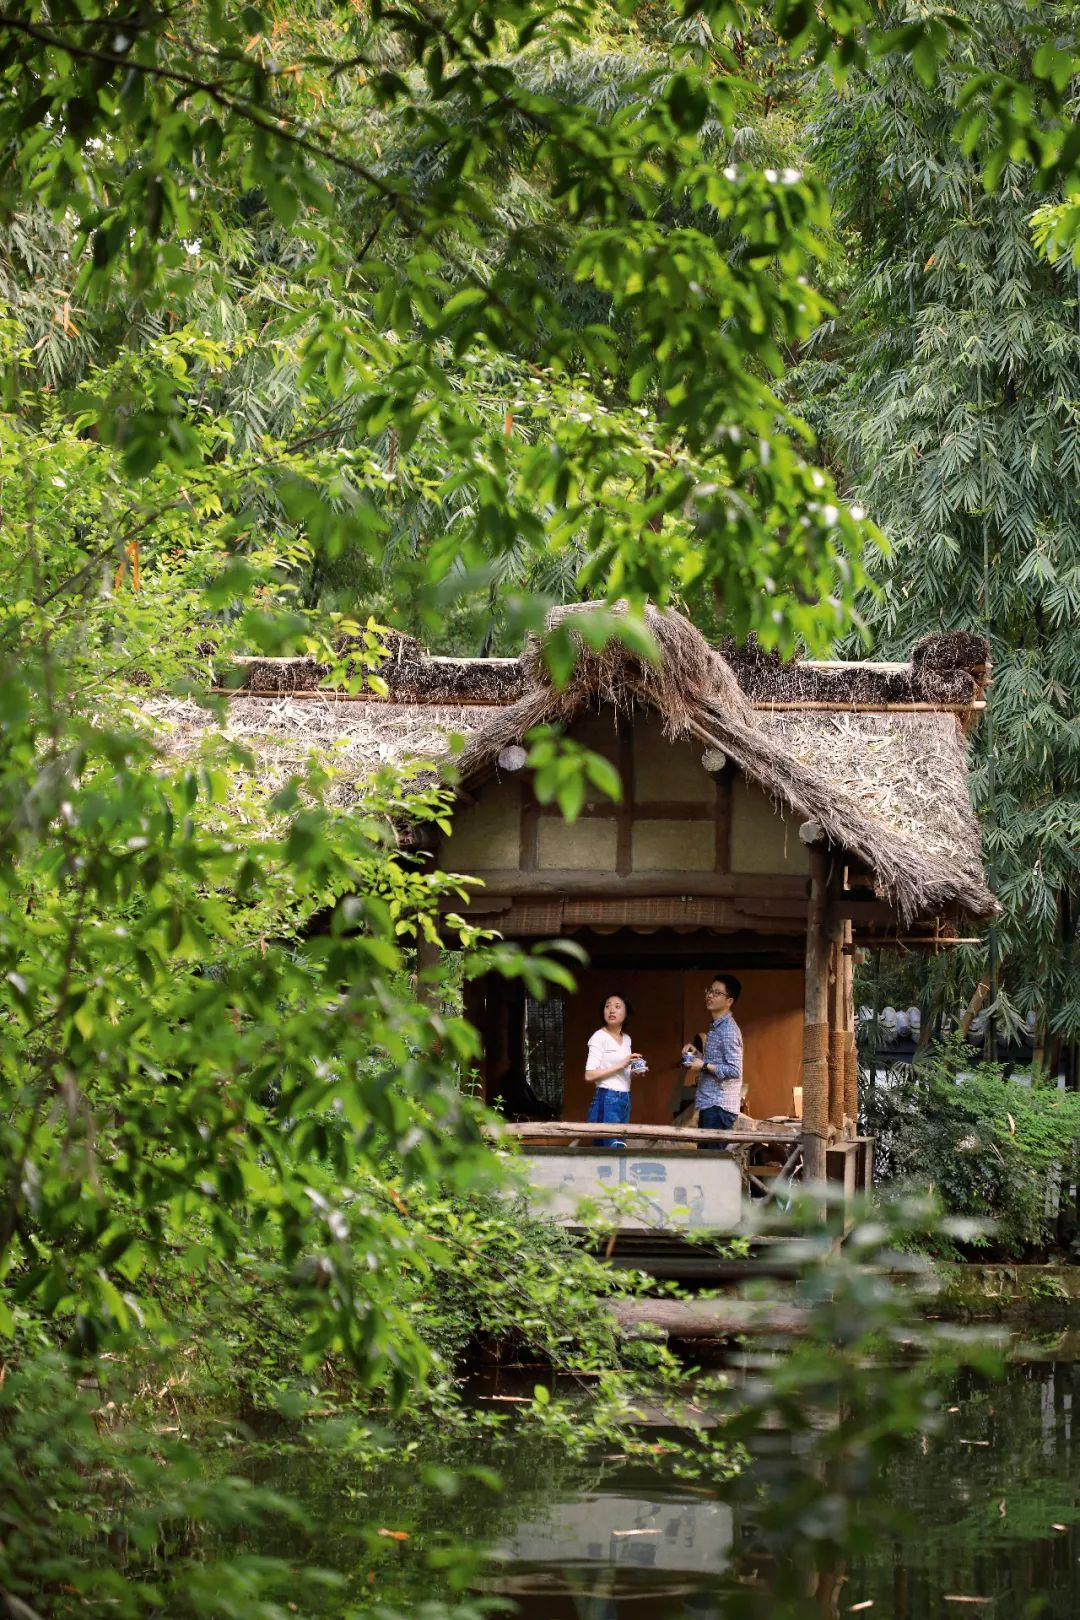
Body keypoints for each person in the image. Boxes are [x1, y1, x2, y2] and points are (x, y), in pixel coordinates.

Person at [682, 973, 743, 1134]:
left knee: (713, 1158)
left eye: (717, 993)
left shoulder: (728, 1030)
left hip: (719, 1106)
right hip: (711, 1104)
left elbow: (734, 1070)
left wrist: (703, 1065)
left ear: (729, 1001)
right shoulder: (717, 1027)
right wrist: (698, 1055)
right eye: (710, 991)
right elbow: (713, 1063)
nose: (710, 995)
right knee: (707, 1157)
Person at [585, 993, 645, 1149]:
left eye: (617, 1006)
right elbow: (589, 1075)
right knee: (608, 1154)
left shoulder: (627, 1039)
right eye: (607, 1006)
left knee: (619, 1151)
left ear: (626, 1014)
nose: (611, 1010)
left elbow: (623, 1073)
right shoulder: (599, 1037)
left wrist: (635, 1072)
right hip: (606, 1098)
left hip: (624, 1099)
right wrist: (622, 1064)